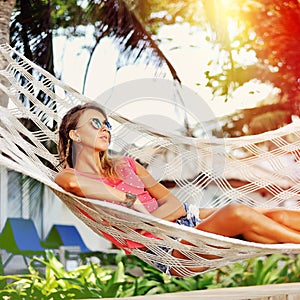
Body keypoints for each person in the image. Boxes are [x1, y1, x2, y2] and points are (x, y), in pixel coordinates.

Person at [55, 102, 300, 275]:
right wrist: (130, 199)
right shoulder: (68, 176)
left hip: (189, 221)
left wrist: (148, 218)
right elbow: (74, 183)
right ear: (75, 135)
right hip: (168, 249)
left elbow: (172, 204)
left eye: (106, 123)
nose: (105, 128)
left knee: (273, 217)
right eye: (95, 123)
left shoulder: (126, 164)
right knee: (237, 214)